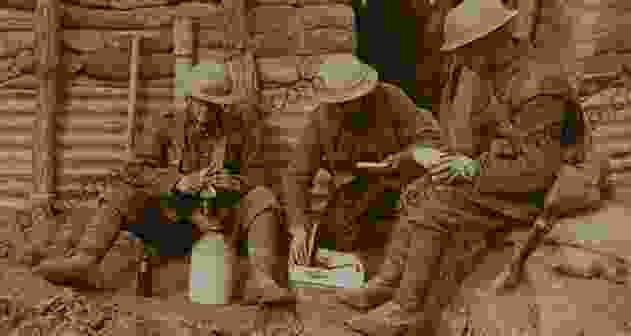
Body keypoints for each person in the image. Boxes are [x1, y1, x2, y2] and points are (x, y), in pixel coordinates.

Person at [341, 0, 593, 334]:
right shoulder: (496, 71)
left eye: (466, 50)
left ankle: (405, 312)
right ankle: (387, 284)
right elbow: (487, 137)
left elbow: (538, 172)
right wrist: (457, 162)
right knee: (419, 190)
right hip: (505, 171)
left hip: (540, 188)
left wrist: (473, 170)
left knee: (435, 207)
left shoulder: (539, 85)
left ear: (491, 41)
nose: (460, 59)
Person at [30, 74, 295, 304]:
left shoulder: (238, 128)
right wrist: (178, 181)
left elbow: (260, 174)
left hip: (221, 224)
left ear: (223, 105)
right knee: (121, 191)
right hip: (173, 221)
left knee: (262, 198)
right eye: (200, 103)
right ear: (189, 99)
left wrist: (236, 182)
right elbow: (134, 171)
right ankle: (84, 261)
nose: (206, 113)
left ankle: (264, 280)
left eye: (213, 106)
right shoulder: (166, 124)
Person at [283, 54, 446, 266]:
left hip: (398, 188)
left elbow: (428, 141)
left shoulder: (391, 98)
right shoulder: (322, 117)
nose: (342, 108)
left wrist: (401, 159)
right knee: (327, 246)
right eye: (337, 103)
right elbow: (296, 174)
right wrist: (298, 227)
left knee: (410, 237)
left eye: (348, 101)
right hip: (352, 197)